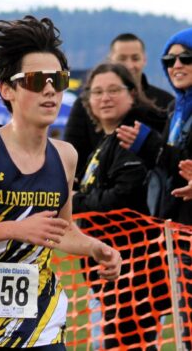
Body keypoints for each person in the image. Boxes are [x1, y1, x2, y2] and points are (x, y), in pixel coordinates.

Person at [0, 16, 121, 350]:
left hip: (42, 329)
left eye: (57, 80)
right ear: (7, 89)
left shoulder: (65, 155)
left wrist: (94, 248)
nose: (49, 90)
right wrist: (15, 229)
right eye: (35, 80)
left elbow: (61, 229)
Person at [73, 62, 165, 350]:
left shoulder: (130, 136)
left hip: (134, 267)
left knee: (126, 343)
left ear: (132, 94)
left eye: (114, 90)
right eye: (97, 91)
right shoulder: (107, 140)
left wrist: (75, 201)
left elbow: (122, 198)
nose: (105, 97)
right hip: (110, 266)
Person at [116, 27, 192, 350]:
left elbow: (181, 160)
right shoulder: (176, 109)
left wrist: (152, 147)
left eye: (186, 57)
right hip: (177, 229)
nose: (176, 65)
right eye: (169, 59)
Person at [64, 33, 174, 185]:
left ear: (145, 59)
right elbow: (73, 152)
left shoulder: (164, 102)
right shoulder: (84, 104)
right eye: (122, 58)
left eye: (135, 58)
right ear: (111, 60)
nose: (129, 65)